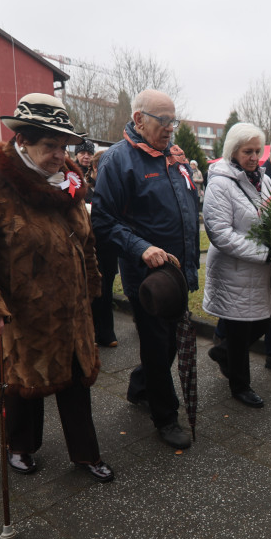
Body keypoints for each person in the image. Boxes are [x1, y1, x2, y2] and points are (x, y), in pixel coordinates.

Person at [0, 93, 113, 482]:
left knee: (75, 383)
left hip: (70, 311)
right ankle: (20, 447)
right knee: (23, 386)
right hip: (20, 313)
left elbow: (85, 240)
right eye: (49, 146)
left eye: (64, 145)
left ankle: (86, 454)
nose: (60, 155)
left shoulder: (67, 178)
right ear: (22, 141)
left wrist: (90, 286)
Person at [91, 89, 199, 450]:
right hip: (149, 279)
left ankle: (140, 387)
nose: (171, 128)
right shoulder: (119, 161)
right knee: (157, 346)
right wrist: (141, 248)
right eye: (163, 121)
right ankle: (165, 416)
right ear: (139, 119)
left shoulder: (174, 157)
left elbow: (185, 211)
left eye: (174, 120)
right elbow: (103, 221)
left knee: (166, 344)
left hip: (178, 274)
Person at [202, 124, 271, 408]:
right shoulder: (220, 182)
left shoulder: (263, 178)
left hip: (259, 271)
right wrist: (264, 253)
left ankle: (223, 354)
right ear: (233, 150)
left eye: (258, 151)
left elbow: (270, 213)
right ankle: (240, 386)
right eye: (248, 151)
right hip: (233, 270)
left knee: (264, 320)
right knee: (238, 329)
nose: (254, 157)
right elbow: (220, 233)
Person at [86, 150, 118, 348]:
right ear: (96, 168)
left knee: (107, 289)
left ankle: (106, 332)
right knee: (95, 289)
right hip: (92, 245)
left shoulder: (112, 190)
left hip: (108, 246)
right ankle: (93, 332)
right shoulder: (85, 189)